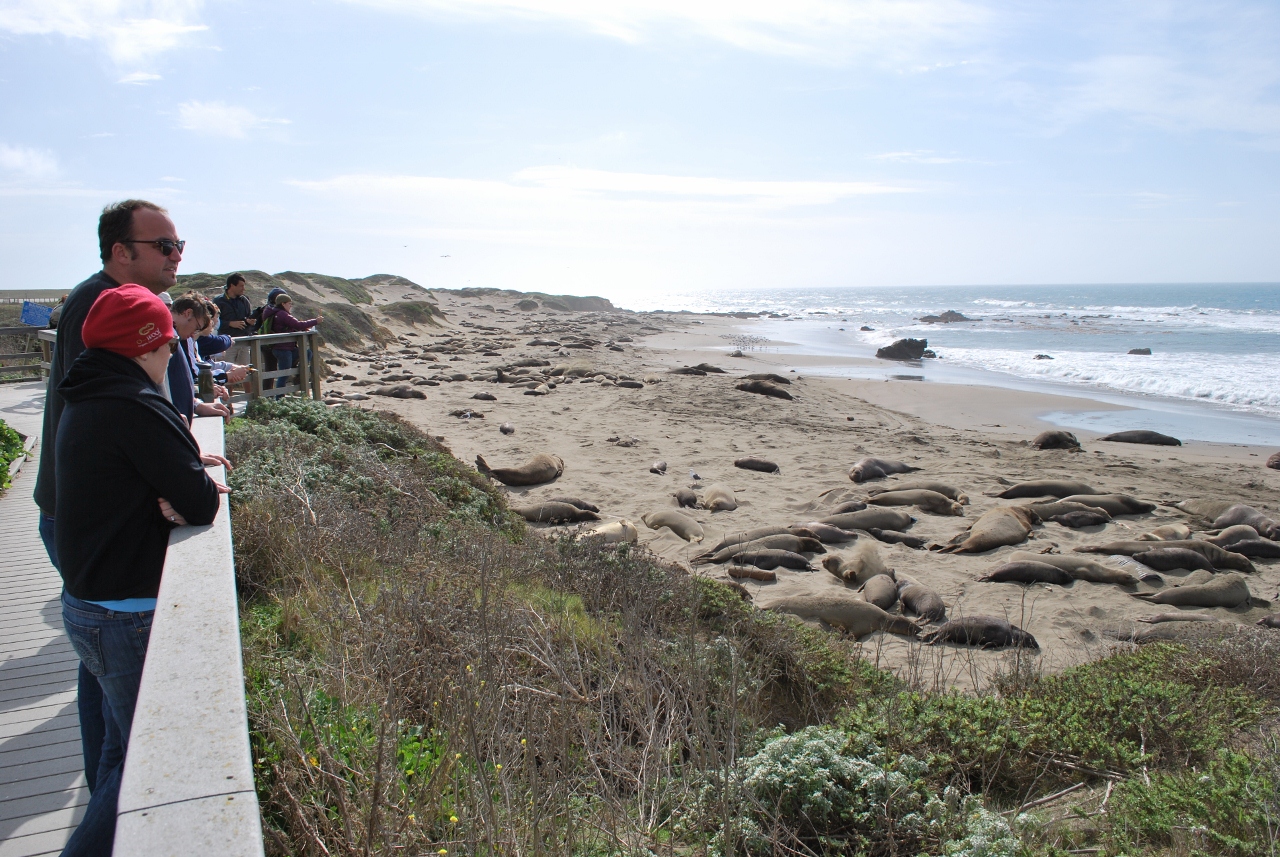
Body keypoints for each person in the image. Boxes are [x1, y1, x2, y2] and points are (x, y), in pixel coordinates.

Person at [55, 283, 225, 855]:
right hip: (126, 614)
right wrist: (179, 487)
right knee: (140, 768)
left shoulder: (86, 391)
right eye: (169, 342)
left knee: (115, 754)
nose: (175, 352)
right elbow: (202, 502)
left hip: (86, 606)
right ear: (147, 344)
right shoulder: (133, 404)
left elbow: (150, 473)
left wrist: (171, 475)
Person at [34, 199, 185, 797]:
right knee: (111, 674)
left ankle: (109, 785)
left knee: (100, 660)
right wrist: (166, 480)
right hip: (78, 513)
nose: (176, 256)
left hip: (82, 509)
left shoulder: (118, 304)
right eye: (164, 246)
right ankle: (112, 798)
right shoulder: (96, 306)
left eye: (179, 246)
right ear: (122, 251)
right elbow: (107, 417)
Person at [166, 293, 231, 422]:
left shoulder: (176, 338)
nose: (193, 334)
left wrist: (196, 405)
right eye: (196, 328)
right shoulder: (166, 337)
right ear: (188, 313)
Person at [261, 293, 321, 389]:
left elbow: (290, 327)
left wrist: (303, 328)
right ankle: (279, 399)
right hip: (283, 349)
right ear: (283, 304)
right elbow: (297, 324)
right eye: (289, 303)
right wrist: (315, 321)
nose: (291, 306)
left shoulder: (278, 313)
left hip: (285, 348)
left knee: (307, 353)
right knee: (283, 375)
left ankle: (299, 373)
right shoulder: (282, 314)